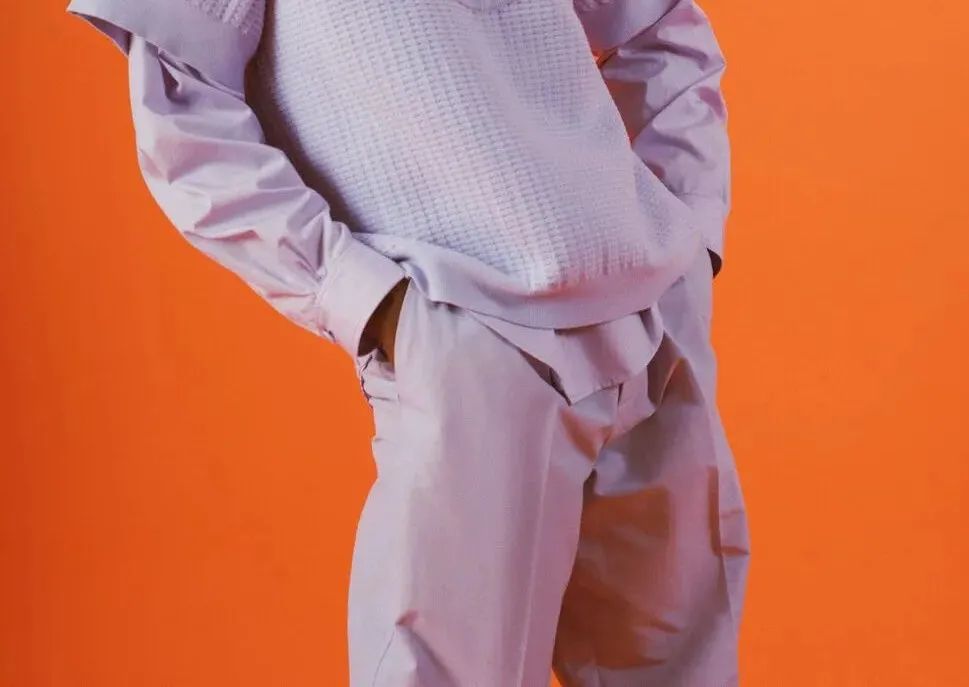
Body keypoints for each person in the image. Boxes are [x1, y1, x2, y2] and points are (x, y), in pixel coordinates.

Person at [66, 0, 750, 684]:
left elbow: (660, 25)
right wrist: (367, 299)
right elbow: (186, 116)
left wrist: (690, 235)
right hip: (469, 337)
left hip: (651, 320)